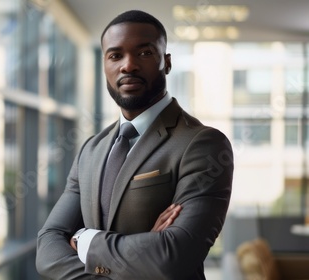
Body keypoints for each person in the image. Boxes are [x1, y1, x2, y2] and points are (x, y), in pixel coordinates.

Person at [36, 9, 234, 280]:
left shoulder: (203, 144)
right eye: (115, 55)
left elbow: (173, 256)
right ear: (104, 65)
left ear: (166, 62)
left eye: (144, 53)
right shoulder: (91, 150)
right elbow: (47, 247)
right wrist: (139, 254)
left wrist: (84, 239)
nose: (128, 65)